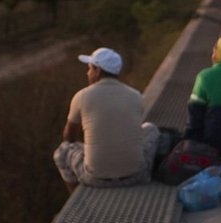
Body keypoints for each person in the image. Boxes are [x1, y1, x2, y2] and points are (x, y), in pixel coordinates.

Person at [52, 48, 158, 194]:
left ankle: (75, 197)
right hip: (137, 176)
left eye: (89, 69)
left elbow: (69, 138)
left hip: (95, 178)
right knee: (151, 128)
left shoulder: (82, 96)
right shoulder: (136, 96)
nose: (87, 73)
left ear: (98, 71)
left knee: (62, 151)